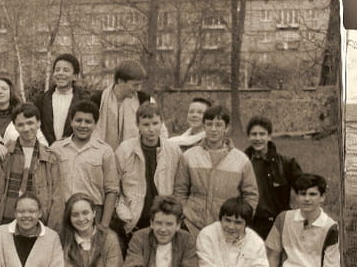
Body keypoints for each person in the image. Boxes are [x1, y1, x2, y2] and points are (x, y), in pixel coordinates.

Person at [173, 105, 258, 237]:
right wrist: (184, 215)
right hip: (192, 225)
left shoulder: (241, 160)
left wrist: (240, 220)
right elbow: (180, 190)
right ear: (204, 126)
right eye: (209, 124)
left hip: (226, 226)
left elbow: (251, 195)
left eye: (218, 125)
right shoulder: (189, 156)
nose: (213, 129)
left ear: (226, 127)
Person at [114, 101, 183, 250]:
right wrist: (124, 213)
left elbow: (180, 186)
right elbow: (115, 187)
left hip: (164, 218)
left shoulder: (173, 151)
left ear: (161, 123)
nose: (151, 129)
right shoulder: (125, 150)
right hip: (134, 219)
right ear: (137, 125)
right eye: (145, 124)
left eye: (155, 123)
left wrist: (173, 212)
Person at [0, 103, 63, 229]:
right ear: (14, 126)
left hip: (40, 223)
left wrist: (52, 231)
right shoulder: (4, 155)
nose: (26, 128)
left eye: (30, 123)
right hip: (7, 220)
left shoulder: (50, 158)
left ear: (39, 123)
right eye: (20, 124)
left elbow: (57, 198)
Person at [50, 100, 119, 230]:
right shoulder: (57, 148)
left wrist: (104, 224)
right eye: (78, 120)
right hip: (63, 212)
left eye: (88, 122)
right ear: (71, 121)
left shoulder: (105, 151)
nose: (83, 125)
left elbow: (112, 190)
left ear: (95, 124)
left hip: (93, 213)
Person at [244, 115, 302, 239]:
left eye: (262, 134)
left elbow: (304, 190)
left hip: (277, 225)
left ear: (269, 136)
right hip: (250, 225)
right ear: (248, 137)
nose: (258, 138)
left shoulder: (286, 163)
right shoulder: (241, 163)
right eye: (254, 134)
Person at [96, 59, 167, 150]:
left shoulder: (145, 100)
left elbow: (161, 132)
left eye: (140, 85)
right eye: (135, 85)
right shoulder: (98, 101)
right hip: (103, 155)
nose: (139, 89)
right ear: (120, 81)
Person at [34, 53, 99, 145]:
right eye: (57, 70)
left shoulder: (85, 100)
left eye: (66, 70)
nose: (60, 73)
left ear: (75, 76)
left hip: (76, 149)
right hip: (47, 149)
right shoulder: (41, 100)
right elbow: (36, 126)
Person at [0, 77, 48, 162]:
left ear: (10, 92)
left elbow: (42, 142)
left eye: (4, 89)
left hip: (21, 164)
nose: (0, 92)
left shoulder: (23, 116)